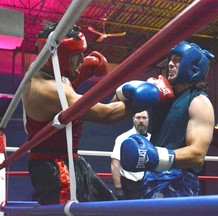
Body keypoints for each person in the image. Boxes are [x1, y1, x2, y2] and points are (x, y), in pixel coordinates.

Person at [22, 23, 165, 205]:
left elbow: (66, 92)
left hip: (70, 161)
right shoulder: (47, 90)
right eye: (76, 55)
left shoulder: (46, 68)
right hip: (56, 167)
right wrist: (153, 93)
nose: (82, 60)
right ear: (61, 57)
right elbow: (106, 115)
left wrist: (80, 74)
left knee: (106, 206)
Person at [120, 41, 215, 198]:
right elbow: (111, 111)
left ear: (193, 66)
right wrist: (125, 91)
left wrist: (156, 157)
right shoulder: (161, 97)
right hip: (151, 177)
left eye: (177, 60)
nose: (170, 64)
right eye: (170, 60)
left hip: (179, 180)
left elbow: (198, 155)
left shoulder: (198, 101)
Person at [111, 110, 150, 200]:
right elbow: (115, 163)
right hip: (128, 185)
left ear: (148, 120)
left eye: (144, 118)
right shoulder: (123, 138)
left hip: (148, 184)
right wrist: (118, 188)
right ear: (133, 119)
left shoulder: (152, 138)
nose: (141, 120)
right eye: (138, 117)